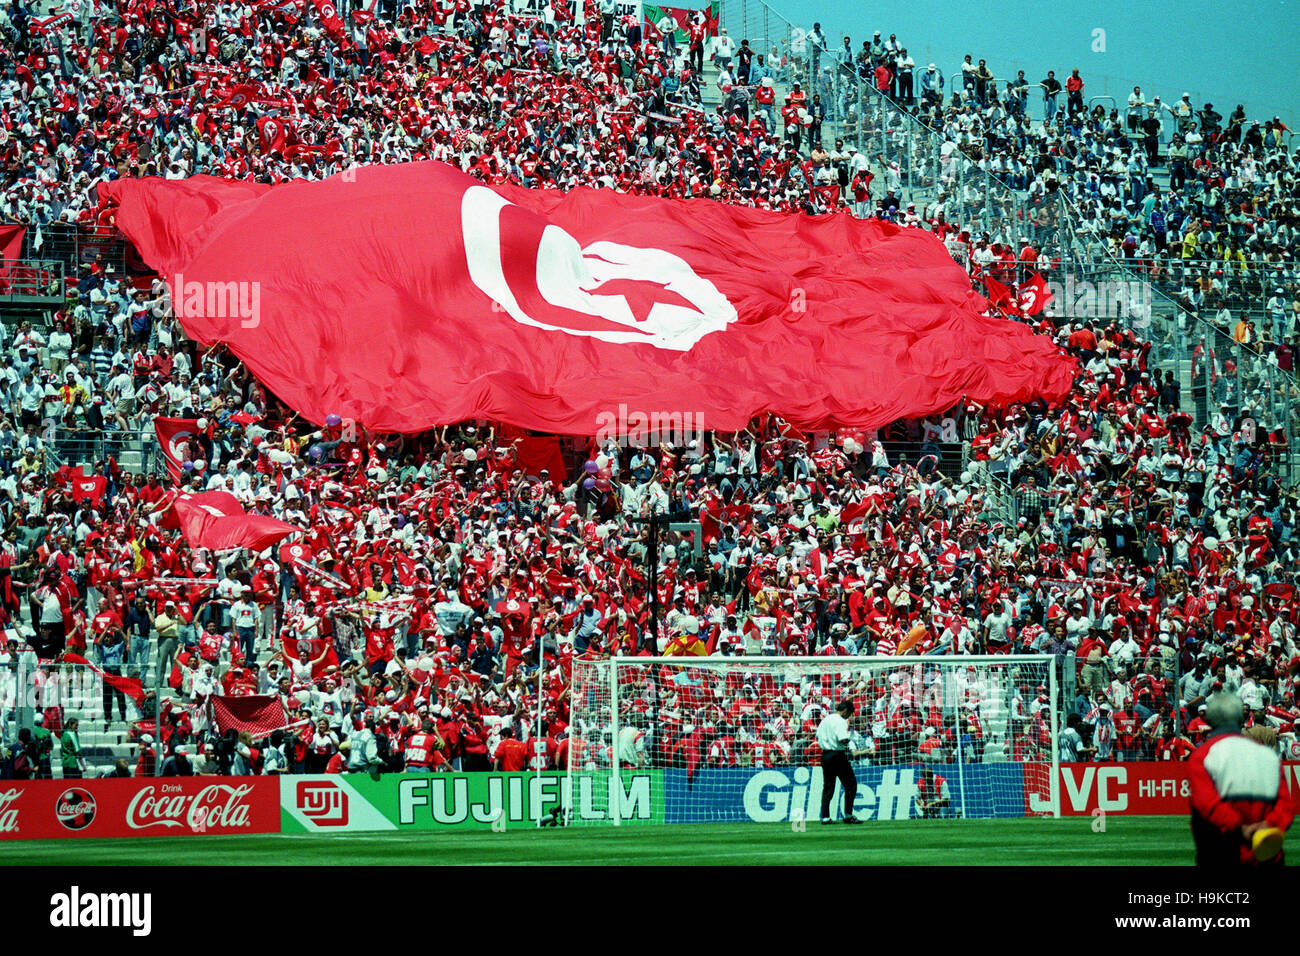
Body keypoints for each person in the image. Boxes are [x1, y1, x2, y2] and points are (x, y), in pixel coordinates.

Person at [1187, 692, 1295, 865]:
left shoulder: (1202, 756)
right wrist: (1268, 825)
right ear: (1241, 719)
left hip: (1222, 854)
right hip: (1267, 855)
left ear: (1209, 721)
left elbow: (1208, 805)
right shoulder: (1267, 755)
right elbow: (1286, 806)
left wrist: (1240, 828)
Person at [816, 699, 860, 823]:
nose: (849, 716)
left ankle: (825, 817)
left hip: (825, 755)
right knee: (851, 784)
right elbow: (843, 739)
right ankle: (848, 815)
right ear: (846, 710)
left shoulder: (826, 719)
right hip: (837, 755)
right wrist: (851, 742)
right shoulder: (840, 721)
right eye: (850, 713)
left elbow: (817, 736)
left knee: (828, 787)